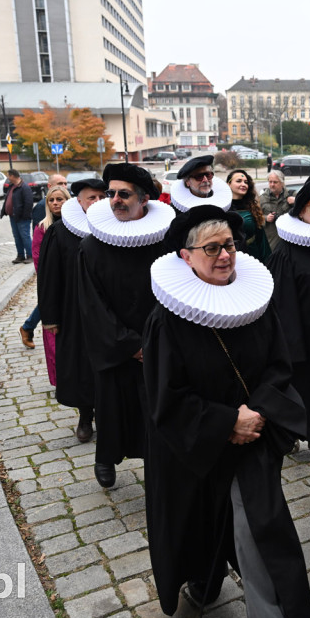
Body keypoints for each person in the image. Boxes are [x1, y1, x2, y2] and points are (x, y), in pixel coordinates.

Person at [143, 206, 310, 618]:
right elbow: (167, 397)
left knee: (261, 532)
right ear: (186, 256)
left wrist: (255, 414)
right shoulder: (167, 320)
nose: (224, 255)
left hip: (253, 440)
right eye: (212, 248)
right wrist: (225, 423)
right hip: (191, 451)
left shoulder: (255, 303)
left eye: (230, 245)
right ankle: (203, 579)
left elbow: (279, 365)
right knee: (196, 527)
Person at [77, 163, 174, 488]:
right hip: (114, 346)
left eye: (124, 194)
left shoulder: (165, 242)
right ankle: (105, 457)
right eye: (111, 193)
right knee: (111, 407)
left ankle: (158, 460)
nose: (115, 200)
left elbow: (175, 292)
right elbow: (91, 304)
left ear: (144, 199)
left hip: (158, 341)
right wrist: (130, 344)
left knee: (157, 406)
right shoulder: (91, 247)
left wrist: (155, 341)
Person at [266, 181, 310, 455]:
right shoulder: (286, 252)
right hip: (302, 337)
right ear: (301, 211)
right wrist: (292, 346)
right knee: (303, 388)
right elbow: (282, 302)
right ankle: (294, 434)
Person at [39, 178, 106, 444]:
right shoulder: (60, 231)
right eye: (92, 198)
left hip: (108, 312)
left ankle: (109, 414)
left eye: (102, 197)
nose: (97, 202)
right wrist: (51, 317)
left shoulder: (117, 228)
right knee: (81, 366)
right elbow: (49, 277)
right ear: (79, 201)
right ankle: (85, 416)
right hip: (74, 312)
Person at [32, 186, 69, 390]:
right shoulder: (42, 228)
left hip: (73, 286)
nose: (55, 203)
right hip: (53, 287)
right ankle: (59, 378)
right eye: (51, 200)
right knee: (53, 333)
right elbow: (39, 261)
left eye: (59, 199)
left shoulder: (76, 224)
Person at [227, 169, 272, 263]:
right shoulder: (222, 208)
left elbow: (261, 239)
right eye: (238, 181)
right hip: (229, 257)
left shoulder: (252, 208)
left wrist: (268, 263)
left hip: (252, 256)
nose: (243, 184)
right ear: (228, 184)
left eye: (246, 182)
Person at [258, 169, 294, 252]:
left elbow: (305, 211)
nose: (272, 185)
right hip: (271, 242)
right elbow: (255, 218)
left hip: (289, 240)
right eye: (270, 182)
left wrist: (296, 201)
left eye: (275, 182)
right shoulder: (262, 198)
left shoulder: (292, 195)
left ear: (282, 183)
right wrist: (266, 218)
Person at [2, 170, 33, 264]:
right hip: (13, 217)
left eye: (8, 176)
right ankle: (20, 255)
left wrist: (25, 216)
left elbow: (28, 203)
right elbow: (7, 199)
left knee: (25, 236)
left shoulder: (24, 187)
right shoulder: (12, 186)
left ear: (13, 176)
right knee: (17, 237)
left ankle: (30, 255)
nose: (7, 178)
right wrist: (4, 210)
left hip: (22, 218)